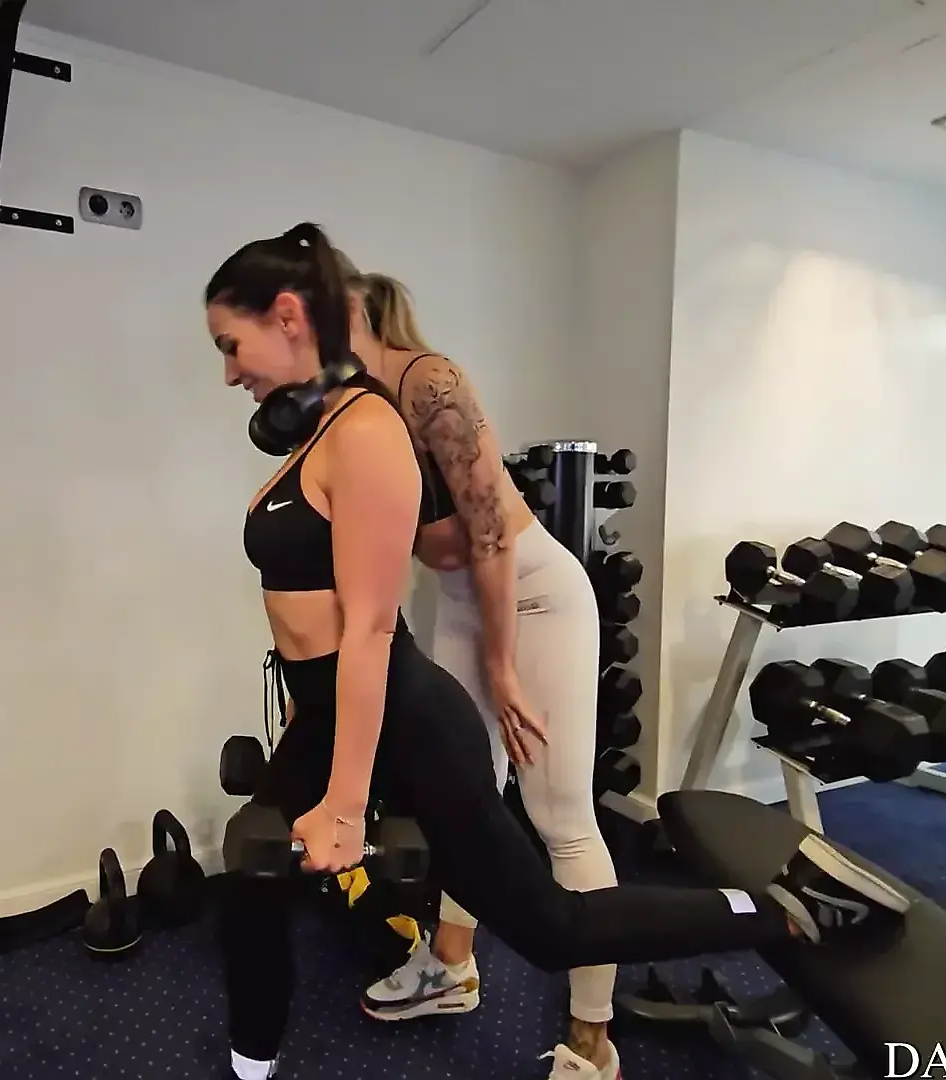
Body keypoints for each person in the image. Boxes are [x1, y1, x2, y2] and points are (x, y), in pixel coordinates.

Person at [206, 221, 909, 1080]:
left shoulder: (403, 400)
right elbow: (381, 577)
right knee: (272, 863)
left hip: (529, 596)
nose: (230, 372)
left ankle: (765, 921)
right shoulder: (327, 426)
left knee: (555, 876)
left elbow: (475, 548)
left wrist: (494, 674)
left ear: (310, 313)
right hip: (434, 631)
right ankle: (417, 984)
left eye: (231, 345)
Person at [339, 266, 622, 1078]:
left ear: (359, 314)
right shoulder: (355, 410)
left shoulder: (429, 381)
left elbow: (491, 531)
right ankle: (452, 968)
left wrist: (502, 666)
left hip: (534, 595)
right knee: (463, 799)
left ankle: (593, 1040)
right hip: (463, 602)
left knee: (561, 817)